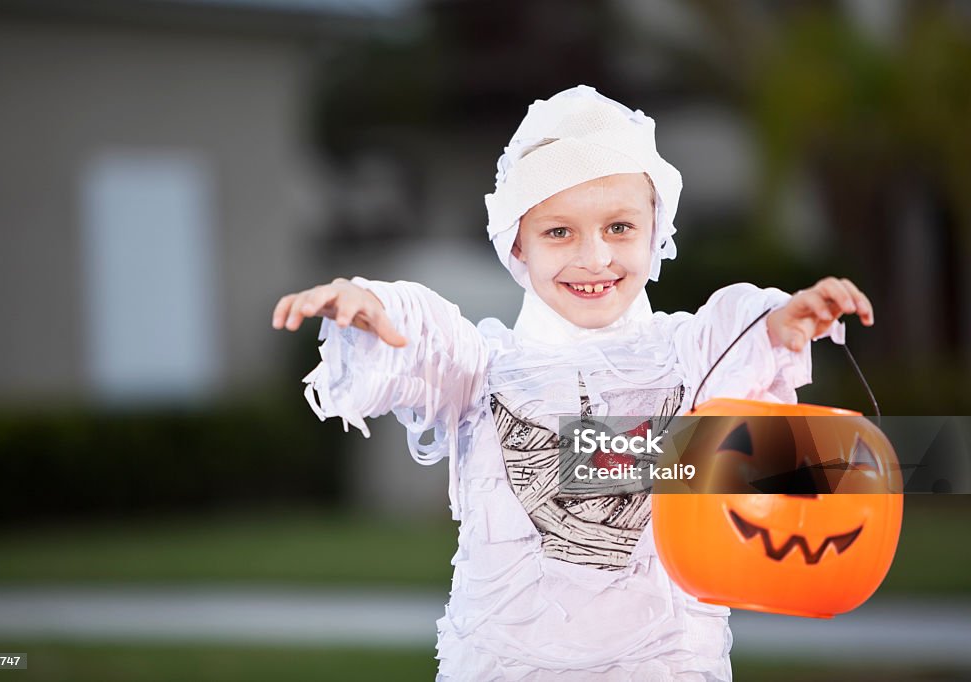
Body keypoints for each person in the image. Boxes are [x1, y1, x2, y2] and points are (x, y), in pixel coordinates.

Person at [271, 85, 873, 681]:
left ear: (654, 228)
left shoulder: (688, 355)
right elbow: (429, 335)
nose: (594, 258)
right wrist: (374, 306)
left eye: (619, 227)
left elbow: (741, 338)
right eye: (559, 232)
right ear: (517, 243)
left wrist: (782, 320)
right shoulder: (486, 368)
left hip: (663, 663)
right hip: (507, 664)